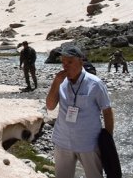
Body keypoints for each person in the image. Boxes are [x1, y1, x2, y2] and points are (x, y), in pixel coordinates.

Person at [46, 44, 114, 178]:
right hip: (63, 141)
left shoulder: (95, 83)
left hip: (88, 143)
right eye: (63, 62)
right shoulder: (61, 82)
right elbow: (50, 106)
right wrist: (56, 82)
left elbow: (107, 111)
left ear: (80, 61)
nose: (65, 66)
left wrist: (107, 140)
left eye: (70, 62)